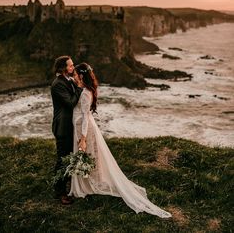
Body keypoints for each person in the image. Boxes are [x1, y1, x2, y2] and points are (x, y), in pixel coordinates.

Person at [69, 62, 172, 218]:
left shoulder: (85, 93)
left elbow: (84, 117)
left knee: (87, 154)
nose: (73, 76)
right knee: (89, 155)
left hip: (83, 129)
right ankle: (87, 181)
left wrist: (83, 137)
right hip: (82, 128)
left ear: (81, 76)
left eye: (75, 74)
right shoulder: (85, 90)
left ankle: (87, 184)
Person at [51, 55, 82, 205]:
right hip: (63, 127)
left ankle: (68, 184)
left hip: (70, 125)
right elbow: (70, 103)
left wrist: (77, 84)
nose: (73, 68)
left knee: (69, 157)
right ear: (63, 68)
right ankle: (60, 192)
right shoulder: (58, 84)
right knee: (62, 160)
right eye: (70, 66)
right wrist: (80, 88)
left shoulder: (68, 80)